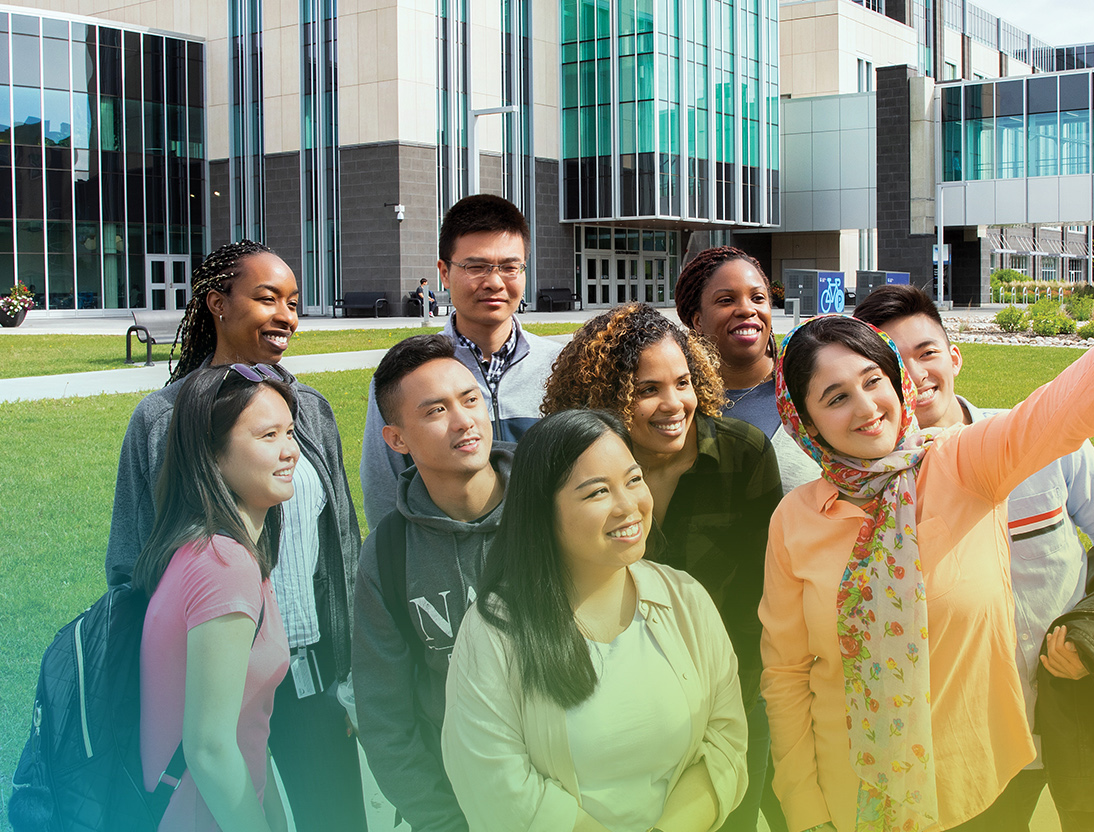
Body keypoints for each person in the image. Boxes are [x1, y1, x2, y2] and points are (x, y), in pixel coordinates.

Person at [759, 277, 1094, 832]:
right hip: (849, 794)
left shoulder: (960, 466)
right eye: (835, 397)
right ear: (804, 422)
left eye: (873, 380)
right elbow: (785, 673)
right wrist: (804, 809)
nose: (866, 407)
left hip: (971, 789)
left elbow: (1056, 413)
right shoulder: (797, 518)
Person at [852, 284, 1094, 831]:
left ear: (954, 355)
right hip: (975, 736)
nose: (915, 376)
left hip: (1085, 703)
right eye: (893, 363)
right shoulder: (878, 491)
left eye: (927, 353)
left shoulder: (1043, 440)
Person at [107, 241, 367, 832]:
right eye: (266, 298)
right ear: (216, 304)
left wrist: (350, 676)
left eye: (294, 302)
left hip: (308, 676)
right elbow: (130, 560)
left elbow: (342, 541)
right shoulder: (160, 418)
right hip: (211, 689)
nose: (286, 315)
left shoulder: (311, 410)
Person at [441, 409, 748, 831]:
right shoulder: (496, 628)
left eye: (634, 480)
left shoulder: (685, 599)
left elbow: (725, 741)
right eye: (597, 492)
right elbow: (496, 785)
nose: (629, 506)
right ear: (542, 512)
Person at [541, 303, 782, 831]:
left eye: (683, 382)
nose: (674, 404)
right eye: (648, 390)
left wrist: (731, 706)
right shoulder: (574, 471)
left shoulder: (743, 455)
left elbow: (759, 597)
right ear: (607, 397)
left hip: (731, 699)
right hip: (614, 711)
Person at [353, 333, 512, 831]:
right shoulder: (386, 556)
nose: (465, 421)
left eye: (470, 399)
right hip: (458, 806)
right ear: (397, 439)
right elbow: (385, 718)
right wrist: (442, 819)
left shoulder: (555, 510)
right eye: (435, 411)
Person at [134, 364, 297, 831]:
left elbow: (247, 730)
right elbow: (209, 749)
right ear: (213, 453)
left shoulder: (208, 551)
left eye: (290, 431)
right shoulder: (222, 565)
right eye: (268, 435)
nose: (290, 451)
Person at [361, 194, 562, 527]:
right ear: (444, 272)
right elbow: (384, 490)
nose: (495, 282)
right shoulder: (409, 374)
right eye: (476, 267)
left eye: (510, 267)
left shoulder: (559, 365)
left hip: (545, 562)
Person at [674, 245, 821, 493]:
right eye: (726, 300)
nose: (747, 309)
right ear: (697, 320)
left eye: (758, 298)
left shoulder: (809, 386)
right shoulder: (679, 402)